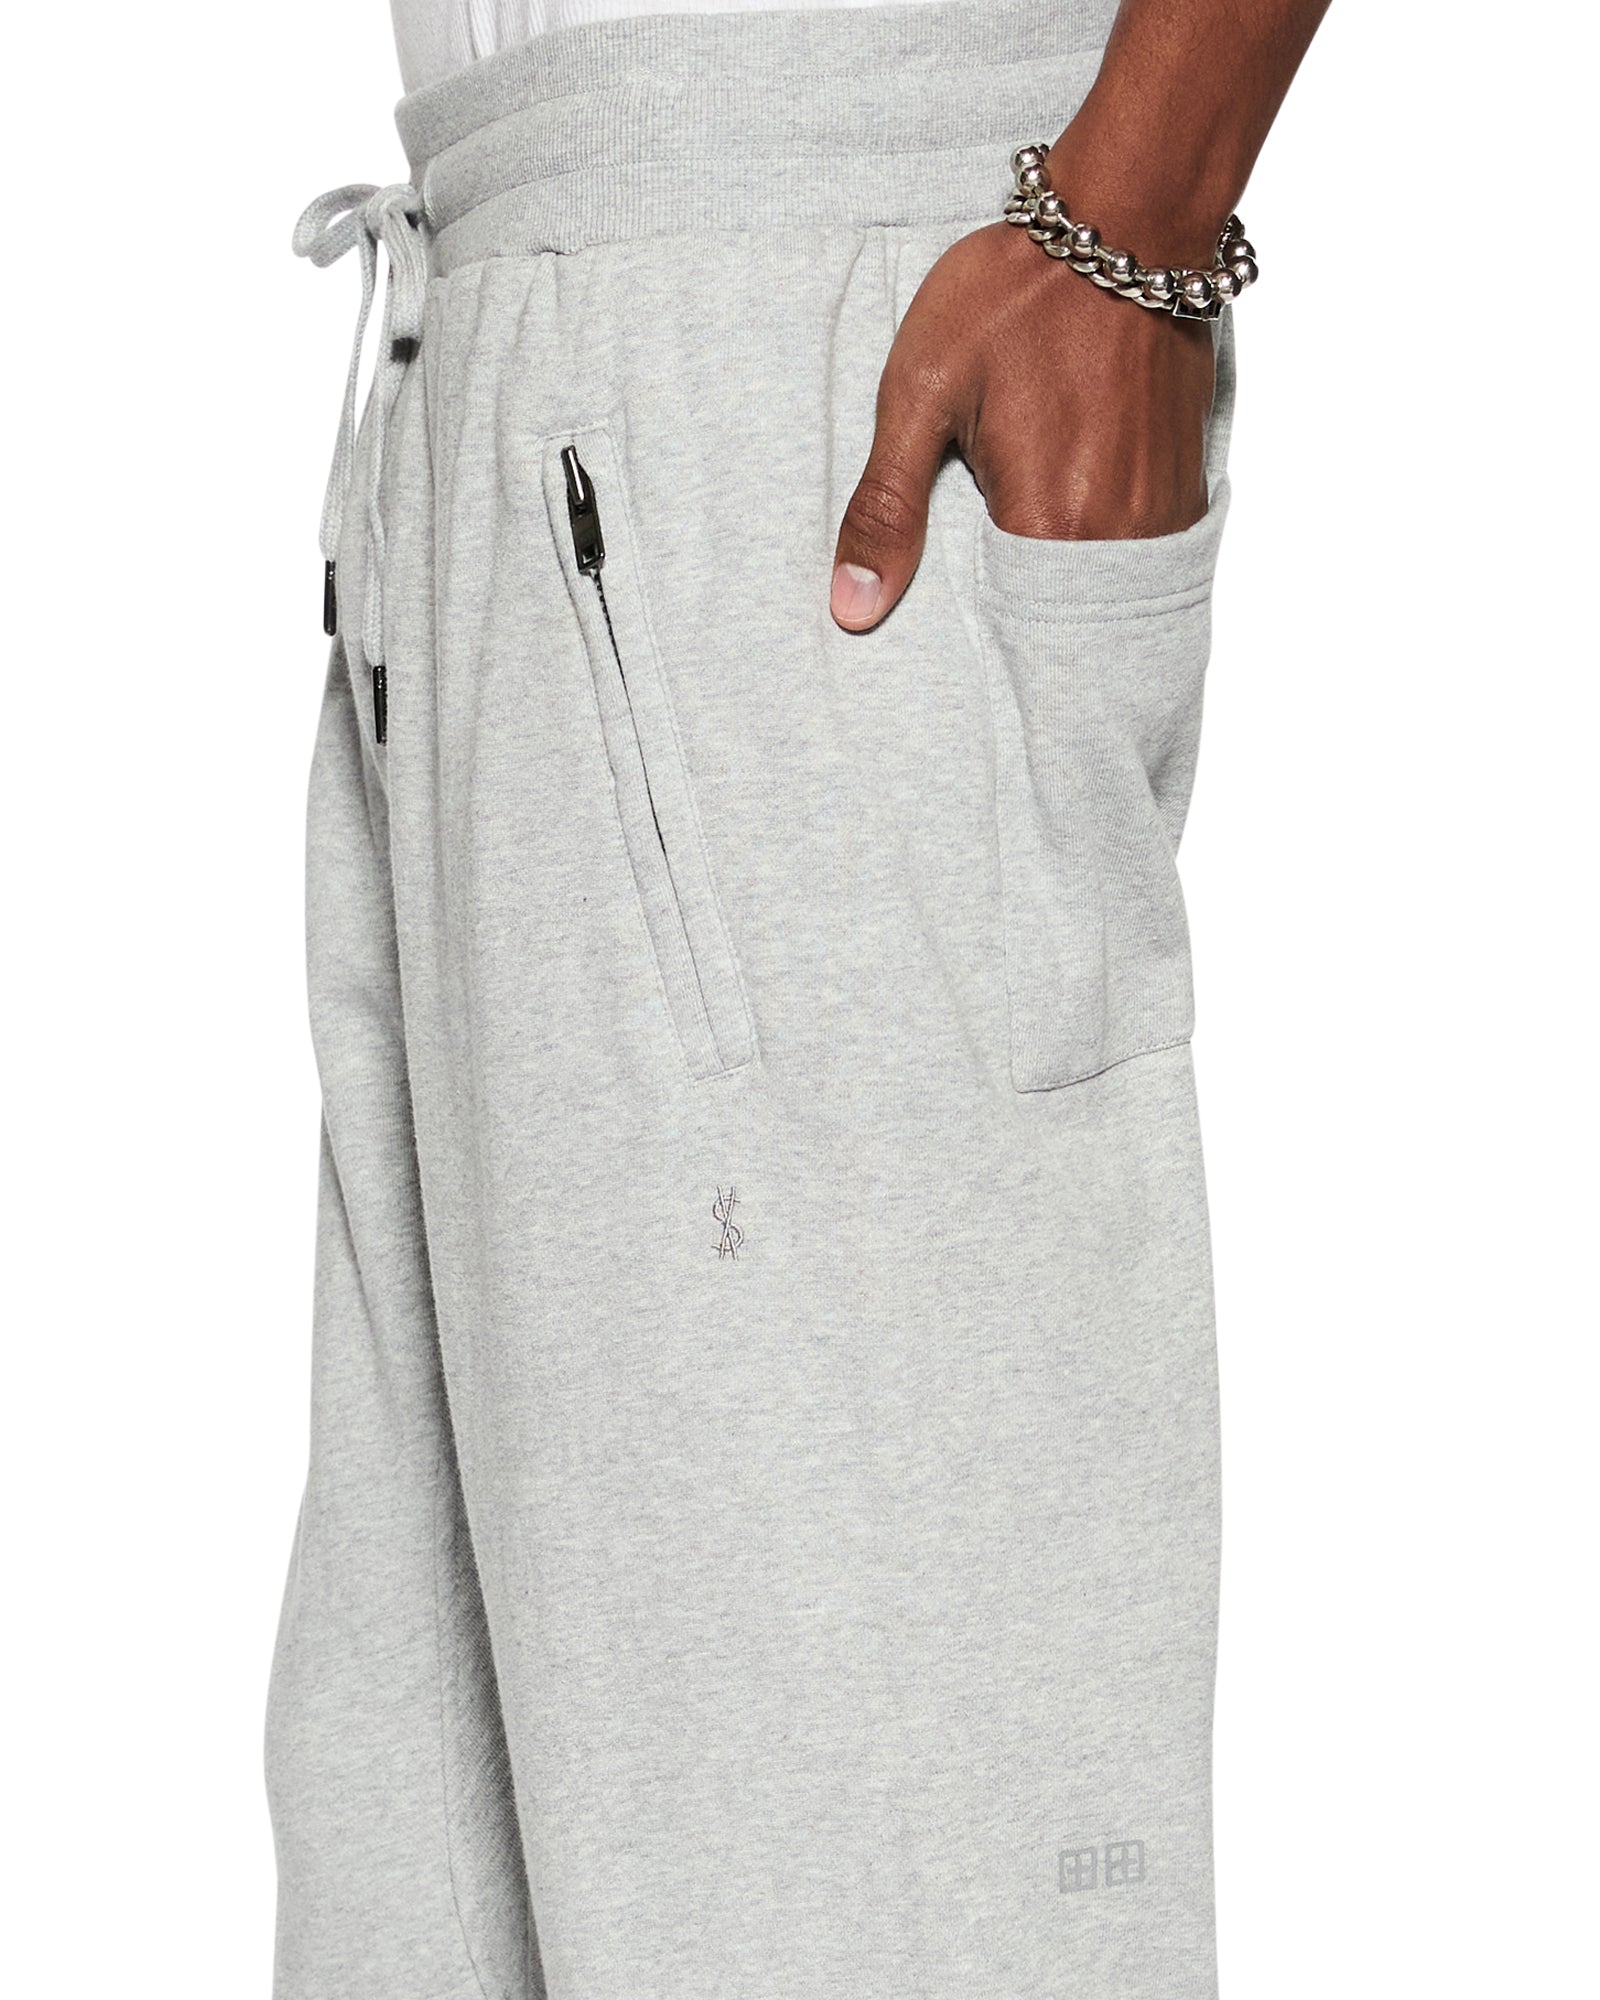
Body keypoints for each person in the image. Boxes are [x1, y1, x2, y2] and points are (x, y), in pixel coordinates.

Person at [268, 0, 1327, 1993]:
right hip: (508, 330)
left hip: (791, 359)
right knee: (426, 1896)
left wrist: (1139, 210)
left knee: (866, 1895)